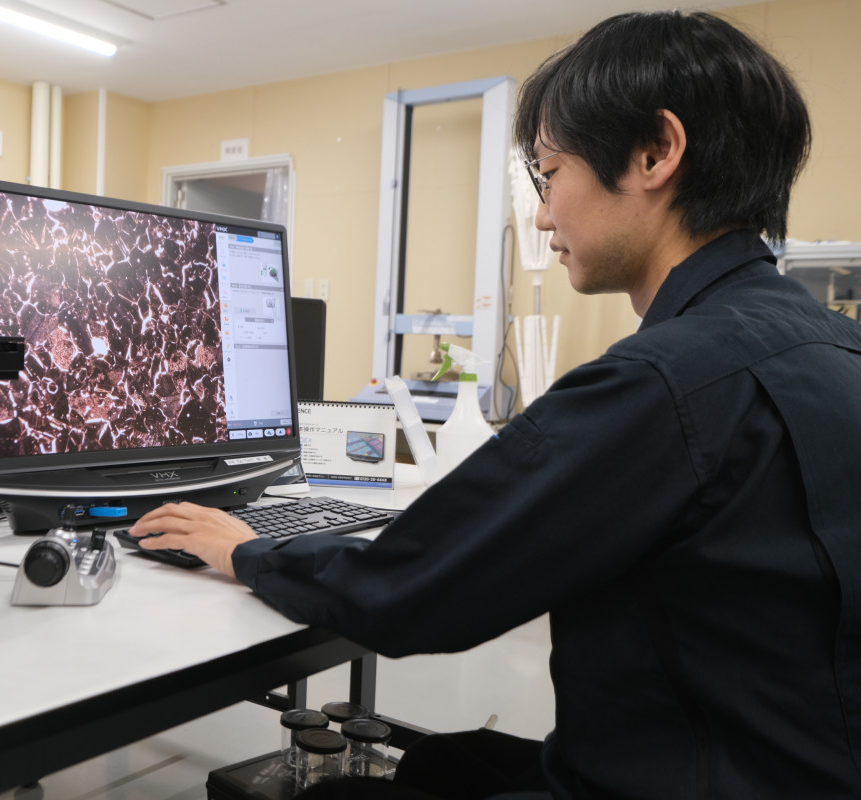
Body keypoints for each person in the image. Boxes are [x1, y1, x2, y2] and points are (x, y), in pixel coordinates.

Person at [129, 10, 861, 799]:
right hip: (783, 762)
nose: (543, 215)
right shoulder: (833, 344)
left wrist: (246, 549)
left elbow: (408, 592)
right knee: (448, 761)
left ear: (655, 153)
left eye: (550, 174)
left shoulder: (667, 383)